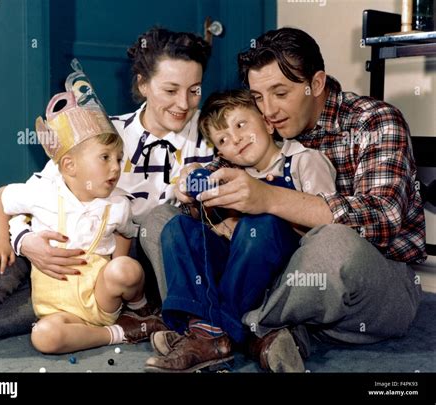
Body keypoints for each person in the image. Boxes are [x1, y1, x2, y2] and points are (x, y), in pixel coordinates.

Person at [142, 27, 426, 372]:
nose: (269, 111)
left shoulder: (374, 121)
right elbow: (203, 203)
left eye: (280, 93)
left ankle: (208, 326)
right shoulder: (254, 129)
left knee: (334, 243)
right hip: (267, 276)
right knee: (161, 219)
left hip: (363, 287)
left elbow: (383, 221)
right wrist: (195, 191)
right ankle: (260, 332)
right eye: (258, 97)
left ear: (316, 84)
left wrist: (268, 199)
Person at [0, 27, 213, 347]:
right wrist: (27, 242)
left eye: (194, 90)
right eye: (171, 90)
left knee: (8, 322)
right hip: (33, 234)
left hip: (101, 271)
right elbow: (35, 195)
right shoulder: (101, 133)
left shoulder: (208, 144)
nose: (183, 103)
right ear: (143, 84)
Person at [143, 89, 337, 372]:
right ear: (220, 152)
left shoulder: (304, 160)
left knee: (261, 223)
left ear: (268, 124)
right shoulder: (229, 174)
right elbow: (197, 205)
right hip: (238, 267)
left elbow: (327, 227)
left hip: (281, 271)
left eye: (240, 124)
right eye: (223, 139)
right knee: (178, 228)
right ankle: (209, 329)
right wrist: (189, 183)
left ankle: (206, 332)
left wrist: (262, 211)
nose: (234, 139)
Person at [0, 63, 169, 354]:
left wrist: (115, 266)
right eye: (105, 158)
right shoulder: (44, 192)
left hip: (100, 299)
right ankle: (120, 333)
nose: (115, 167)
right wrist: (0, 238)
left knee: (126, 269)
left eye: (118, 158)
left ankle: (139, 308)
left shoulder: (118, 204)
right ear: (69, 165)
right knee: (44, 337)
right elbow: (0, 197)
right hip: (57, 308)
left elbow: (125, 234)